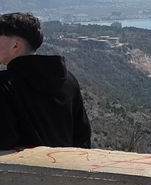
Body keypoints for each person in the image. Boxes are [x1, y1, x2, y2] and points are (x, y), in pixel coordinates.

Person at [0, 12, 91, 150]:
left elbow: (5, 141)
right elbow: (82, 136)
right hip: (66, 167)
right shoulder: (68, 80)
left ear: (15, 45)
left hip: (21, 170)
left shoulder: (4, 84)